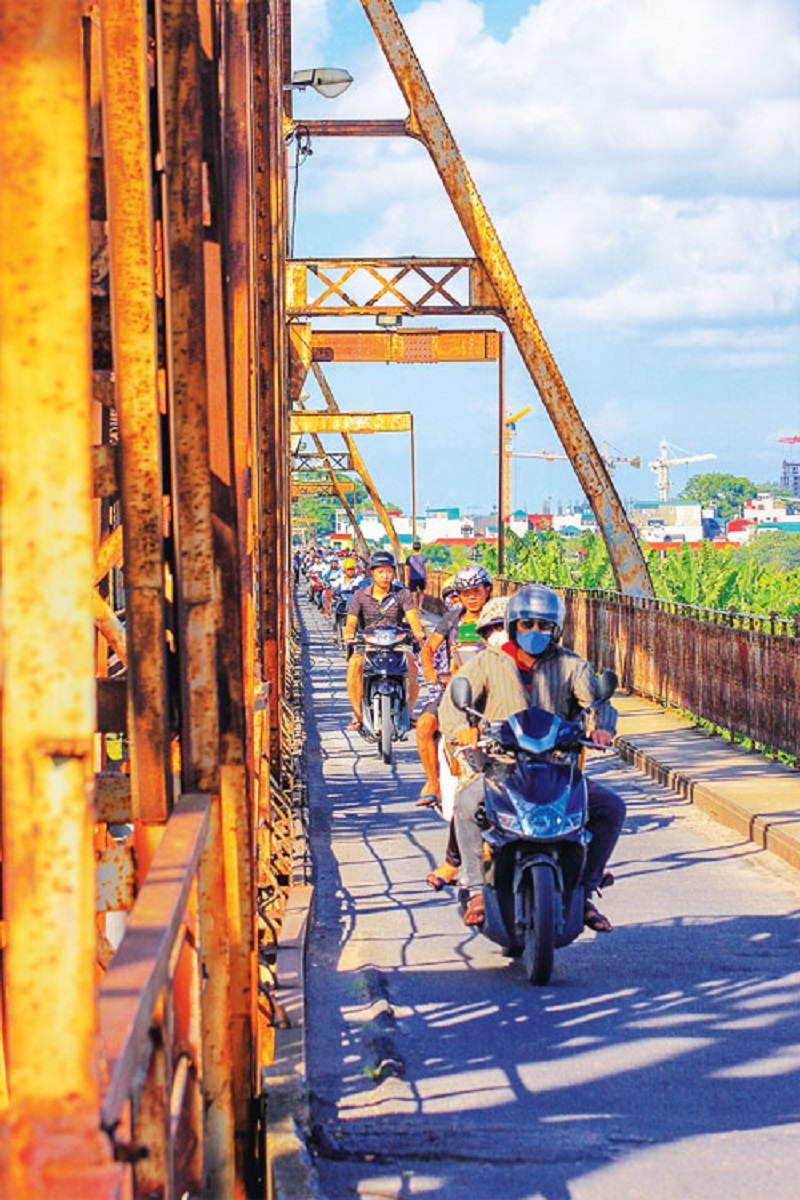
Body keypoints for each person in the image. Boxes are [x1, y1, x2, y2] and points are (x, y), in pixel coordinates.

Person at [438, 583, 625, 932]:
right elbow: (454, 702)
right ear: (513, 626)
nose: (535, 632)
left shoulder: (572, 665)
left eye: (544, 626)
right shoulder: (486, 663)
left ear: (555, 629)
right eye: (527, 624)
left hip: (557, 768)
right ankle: (476, 888)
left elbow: (597, 704)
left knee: (610, 807)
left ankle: (585, 889)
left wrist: (601, 728)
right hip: (502, 769)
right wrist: (463, 730)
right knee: (466, 803)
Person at [424, 594, 509, 892]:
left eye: (507, 628)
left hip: (534, 753)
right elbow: (452, 707)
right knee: (468, 797)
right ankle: (454, 862)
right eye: (492, 630)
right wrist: (463, 729)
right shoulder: (480, 665)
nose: (500, 636)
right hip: (489, 751)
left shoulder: (544, 663)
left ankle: (582, 872)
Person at [415, 563, 493, 807]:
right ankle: (433, 783)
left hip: (494, 692)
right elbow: (429, 647)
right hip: (456, 691)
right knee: (425, 725)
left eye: (476, 590)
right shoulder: (452, 619)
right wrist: (429, 669)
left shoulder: (498, 616)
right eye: (465, 592)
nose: (471, 597)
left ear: (488, 590)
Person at [343, 550, 425, 732]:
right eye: (381, 572)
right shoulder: (359, 595)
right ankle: (357, 715)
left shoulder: (402, 594)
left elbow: (413, 617)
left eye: (389, 571)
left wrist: (418, 632)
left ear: (394, 573)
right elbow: (351, 621)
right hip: (369, 643)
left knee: (411, 663)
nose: (385, 576)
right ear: (372, 573)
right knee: (355, 664)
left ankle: (409, 713)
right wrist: (348, 633)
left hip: (396, 643)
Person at [404, 541, 428, 610]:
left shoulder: (409, 558)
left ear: (413, 548)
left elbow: (407, 570)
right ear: (420, 548)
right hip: (421, 577)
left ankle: (415, 606)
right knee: (422, 592)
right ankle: (420, 606)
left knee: (413, 593)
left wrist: (407, 580)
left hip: (412, 577)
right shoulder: (424, 558)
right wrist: (426, 578)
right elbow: (426, 568)